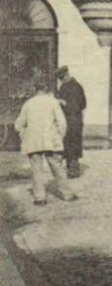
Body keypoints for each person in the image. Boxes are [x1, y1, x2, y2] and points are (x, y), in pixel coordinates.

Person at [14, 76, 77, 205]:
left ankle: (40, 198)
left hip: (33, 141)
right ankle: (67, 194)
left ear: (34, 89)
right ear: (46, 88)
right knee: (58, 168)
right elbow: (62, 123)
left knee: (36, 170)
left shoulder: (28, 104)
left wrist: (24, 134)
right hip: (51, 140)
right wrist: (60, 137)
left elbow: (18, 124)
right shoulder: (53, 102)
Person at [56, 65, 86, 178]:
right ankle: (72, 168)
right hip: (71, 120)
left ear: (67, 75)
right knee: (70, 143)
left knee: (72, 143)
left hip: (73, 120)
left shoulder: (73, 87)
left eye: (62, 77)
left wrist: (63, 103)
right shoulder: (73, 86)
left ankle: (73, 169)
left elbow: (78, 105)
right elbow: (83, 104)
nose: (61, 80)